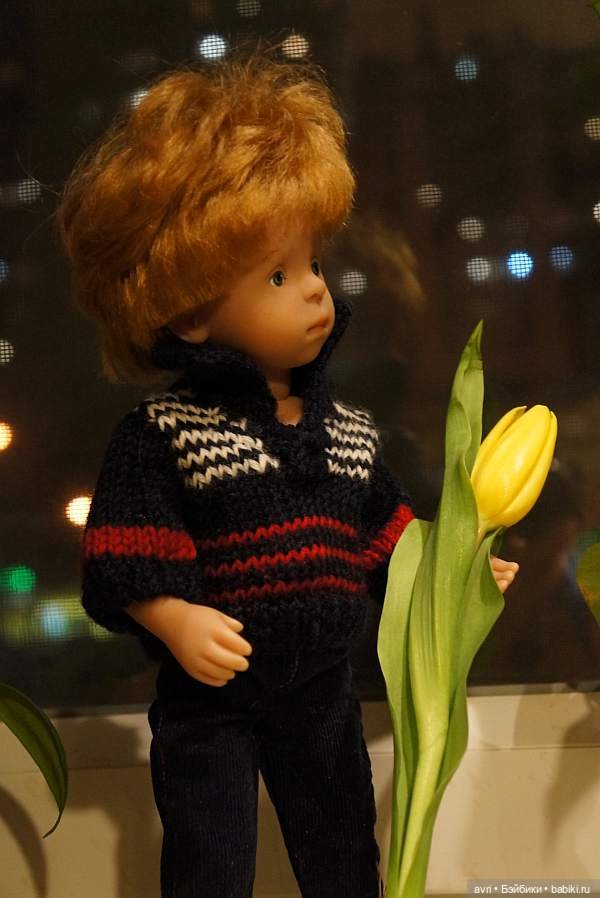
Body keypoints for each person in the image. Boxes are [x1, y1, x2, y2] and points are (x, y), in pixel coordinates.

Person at [57, 52, 518, 898]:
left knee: (342, 842)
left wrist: (452, 571)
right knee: (209, 853)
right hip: (212, 697)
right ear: (188, 313)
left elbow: (385, 534)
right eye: (277, 275)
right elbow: (124, 555)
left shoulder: (347, 433)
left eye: (312, 266)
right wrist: (173, 617)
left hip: (320, 689)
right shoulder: (168, 433)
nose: (313, 293)